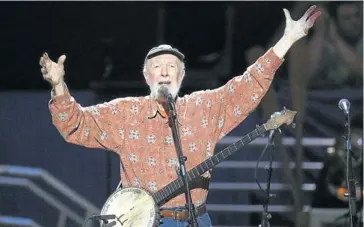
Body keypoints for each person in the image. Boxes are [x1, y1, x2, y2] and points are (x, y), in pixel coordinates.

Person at [39, 6, 321, 227]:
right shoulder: (125, 112)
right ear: (147, 76)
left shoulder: (203, 108)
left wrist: (288, 40)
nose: (164, 71)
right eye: (157, 66)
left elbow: (249, 85)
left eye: (171, 66)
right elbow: (75, 124)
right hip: (145, 221)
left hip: (196, 219)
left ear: (181, 76)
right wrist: (59, 86)